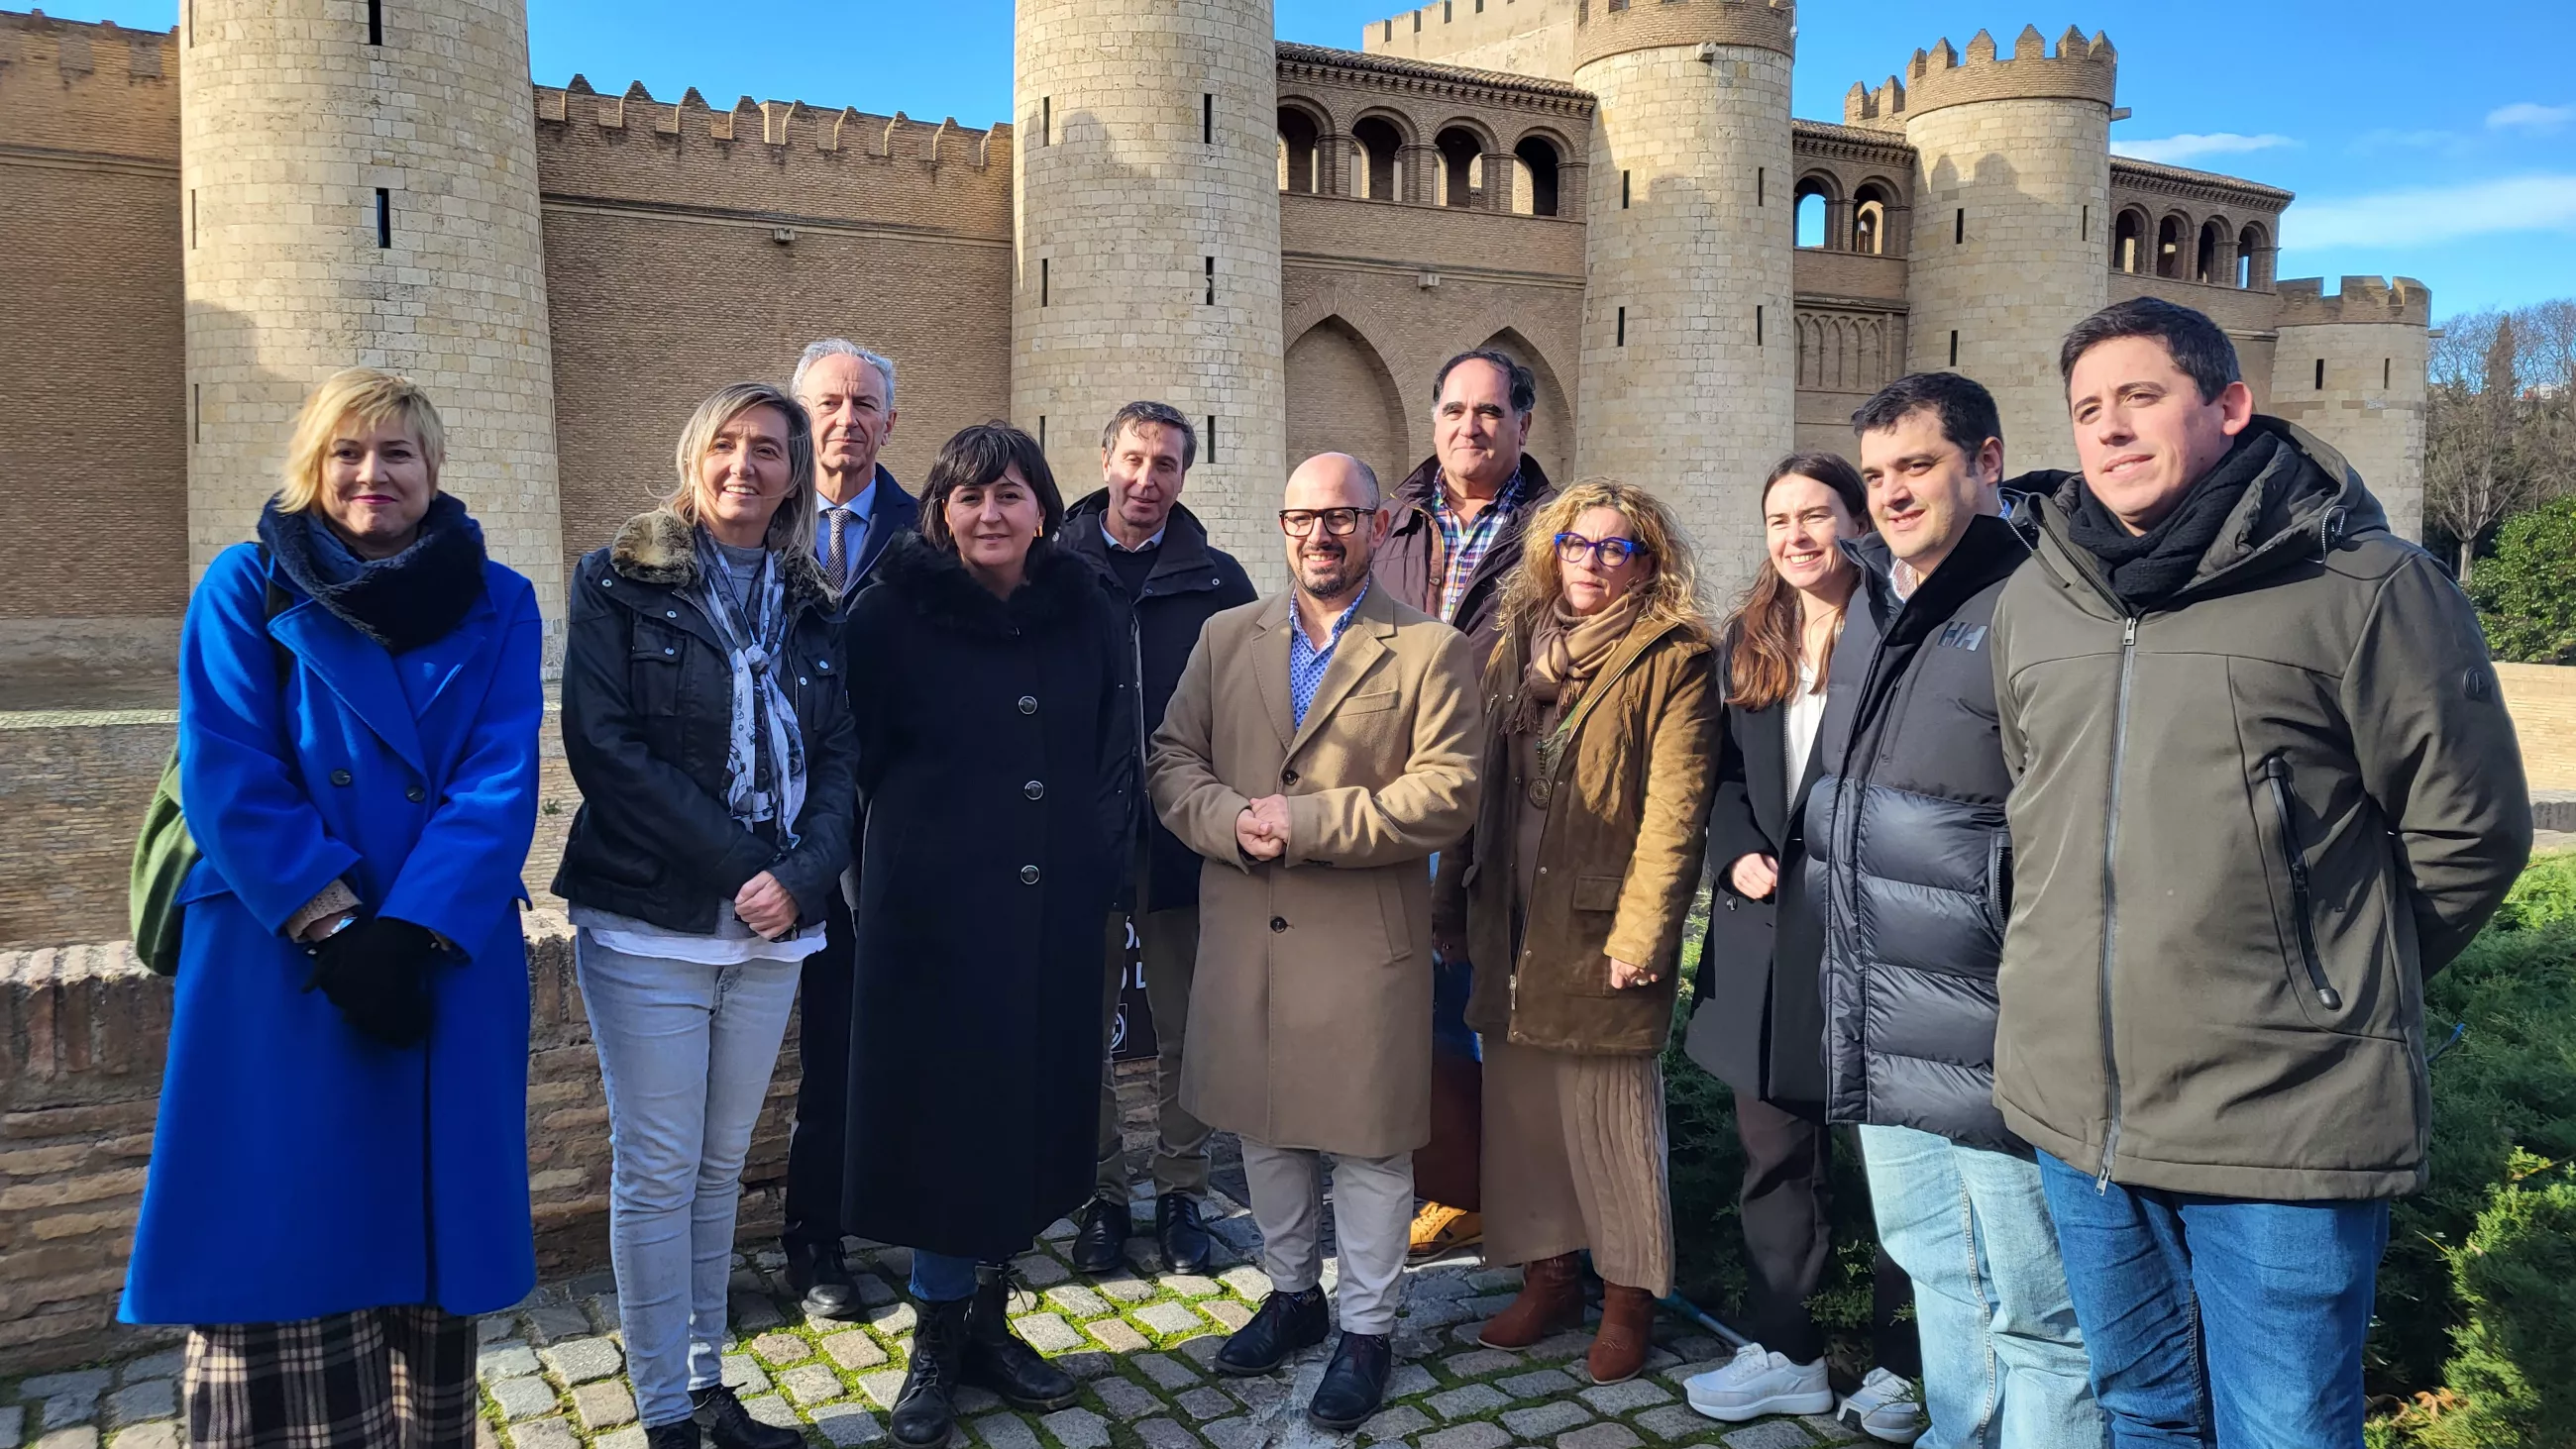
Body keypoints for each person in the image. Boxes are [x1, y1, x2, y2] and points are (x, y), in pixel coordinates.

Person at [1990, 298, 2533, 1448]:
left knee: (2283, 1428)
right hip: (2074, 1107)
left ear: (2228, 405)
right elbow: (2028, 800)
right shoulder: (2037, 594)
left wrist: (2316, 981)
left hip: (2280, 1116)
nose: (2108, 428)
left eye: (2140, 397)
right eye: (2086, 408)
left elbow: (2469, 834)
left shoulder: (2364, 587)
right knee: (2138, 1409)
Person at [120, 368, 544, 1449]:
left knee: (420, 1244)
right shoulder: (245, 582)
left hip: (438, 951)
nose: (371, 474)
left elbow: (499, 776)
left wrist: (409, 929)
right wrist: (339, 924)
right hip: (283, 956)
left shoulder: (501, 599)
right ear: (313, 465)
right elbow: (227, 767)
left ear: (432, 468)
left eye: (397, 452)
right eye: (347, 451)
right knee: (282, 1225)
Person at [1148, 452, 1481, 1430]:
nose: (1320, 534)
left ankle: (1368, 1328)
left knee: (1369, 1141)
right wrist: (1228, 820)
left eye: (1341, 516)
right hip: (1246, 928)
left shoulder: (1427, 647)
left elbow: (1446, 792)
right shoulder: (1225, 636)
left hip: (1361, 938)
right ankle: (1293, 1293)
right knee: (1265, 1125)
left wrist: (1306, 822)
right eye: (1303, 517)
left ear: (1376, 526)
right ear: (1283, 526)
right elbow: (1171, 760)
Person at [554, 381, 859, 1449]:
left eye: (768, 448)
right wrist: (744, 869)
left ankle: (704, 1378)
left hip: (773, 928)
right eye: (726, 444)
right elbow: (604, 750)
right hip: (651, 922)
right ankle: (665, 1410)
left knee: (721, 1165)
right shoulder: (617, 580)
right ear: (694, 457)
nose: (745, 464)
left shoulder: (813, 601)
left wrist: (804, 877)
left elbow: (839, 757)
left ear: (794, 472)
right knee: (657, 1168)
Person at [1809, 373, 2106, 1449]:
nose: (1891, 492)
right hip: (1885, 1007)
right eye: (1876, 472)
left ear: (1985, 461)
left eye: (1917, 466)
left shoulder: (2041, 598)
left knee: (2038, 1309)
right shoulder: (1873, 598)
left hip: (1994, 1021)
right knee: (1934, 1266)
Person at [839, 423, 1135, 1449]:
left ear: (1043, 507)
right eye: (968, 496)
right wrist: (873, 891)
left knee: (1023, 1118)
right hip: (933, 918)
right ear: (940, 511)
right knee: (945, 1124)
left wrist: (1095, 863)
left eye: (1009, 493)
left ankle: (990, 1325)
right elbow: (851, 763)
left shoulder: (1083, 607)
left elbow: (1110, 747)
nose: (989, 513)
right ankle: (935, 1337)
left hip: (1049, 914)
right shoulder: (889, 613)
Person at [1431, 480, 1719, 1385]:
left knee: (1612, 1123)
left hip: (1599, 925)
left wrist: (1644, 932)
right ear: (1550, 552)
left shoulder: (1673, 656)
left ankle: (1629, 1297)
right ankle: (1550, 1276)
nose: (1591, 561)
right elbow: (1479, 787)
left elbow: (1676, 811)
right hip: (1508, 915)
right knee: (1524, 1118)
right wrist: (1450, 905)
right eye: (1575, 544)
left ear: (1646, 562)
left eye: (1613, 547)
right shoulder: (1519, 647)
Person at [1678, 454, 1925, 1443]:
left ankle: (1907, 1366)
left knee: (1900, 1167)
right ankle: (1786, 1352)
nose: (1795, 536)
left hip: (1876, 941)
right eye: (1778, 519)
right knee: (1773, 1156)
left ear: (1855, 520)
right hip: (1767, 940)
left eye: (1815, 514)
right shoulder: (1752, 637)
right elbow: (1728, 779)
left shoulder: (1901, 630)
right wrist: (1734, 851)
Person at [1060, 401, 1258, 1276]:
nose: (1147, 480)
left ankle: (1181, 1188)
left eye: (1166, 464)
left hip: (1185, 838)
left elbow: (1251, 709)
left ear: (1184, 475)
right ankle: (1099, 1193)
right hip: (1083, 838)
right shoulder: (1054, 569)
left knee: (1190, 1027)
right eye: (1134, 459)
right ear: (1106, 458)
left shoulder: (1219, 581)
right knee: (1081, 1028)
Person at [1373, 348, 1561, 1261]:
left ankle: (1533, 1210)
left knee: (1501, 1008)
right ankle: (1458, 1190)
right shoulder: (1398, 520)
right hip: (1404, 793)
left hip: (1503, 799)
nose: (1469, 427)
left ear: (1524, 422)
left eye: (1489, 412)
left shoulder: (1557, 530)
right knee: (1426, 1005)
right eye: (1454, 410)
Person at [781, 338, 921, 1319]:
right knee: (815, 1050)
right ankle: (813, 1235)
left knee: (896, 1040)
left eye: (864, 404)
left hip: (893, 826)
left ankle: (910, 1220)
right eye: (828, 403)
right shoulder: (754, 521)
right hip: (775, 828)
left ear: (889, 422)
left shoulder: (926, 533)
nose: (846, 420)